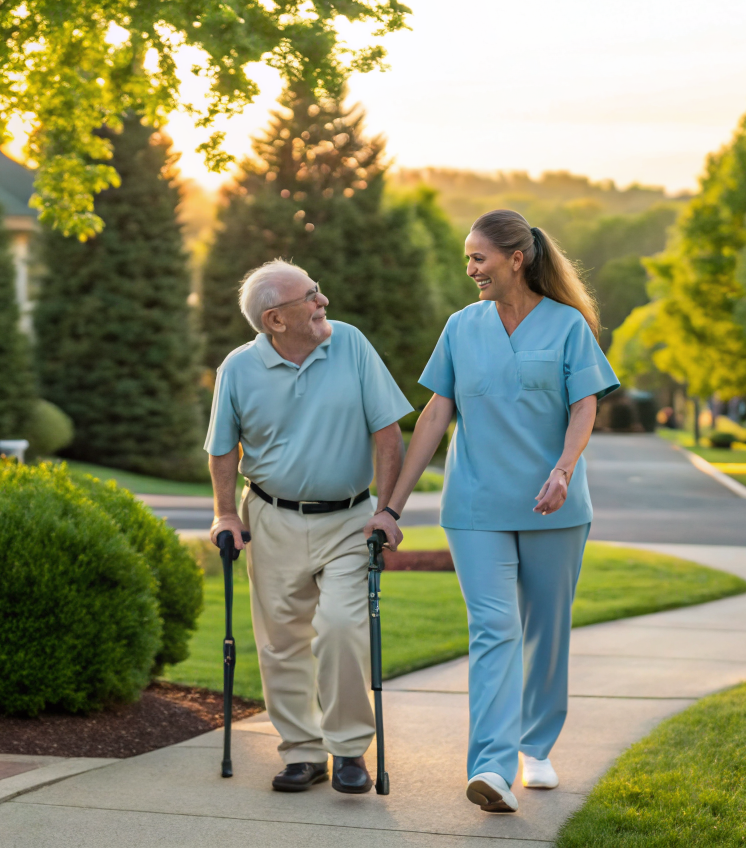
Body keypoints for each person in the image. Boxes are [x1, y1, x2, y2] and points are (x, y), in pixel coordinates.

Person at [372, 209, 618, 814]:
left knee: (546, 632)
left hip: (552, 506)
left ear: (517, 258)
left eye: (478, 258)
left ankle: (536, 746)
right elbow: (435, 414)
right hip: (475, 503)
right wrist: (392, 507)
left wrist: (562, 470)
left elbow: (585, 408)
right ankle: (490, 765)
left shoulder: (567, 326)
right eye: (467, 258)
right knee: (494, 630)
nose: (470, 269)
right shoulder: (461, 326)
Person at [207, 259, 411, 794]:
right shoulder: (237, 368)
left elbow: (388, 433)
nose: (323, 301)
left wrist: (386, 510)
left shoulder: (351, 344)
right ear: (276, 319)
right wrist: (226, 512)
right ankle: (302, 752)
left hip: (347, 518)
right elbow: (223, 448)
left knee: (342, 627)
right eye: (311, 296)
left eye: (317, 290)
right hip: (271, 517)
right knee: (280, 643)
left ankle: (347, 750)